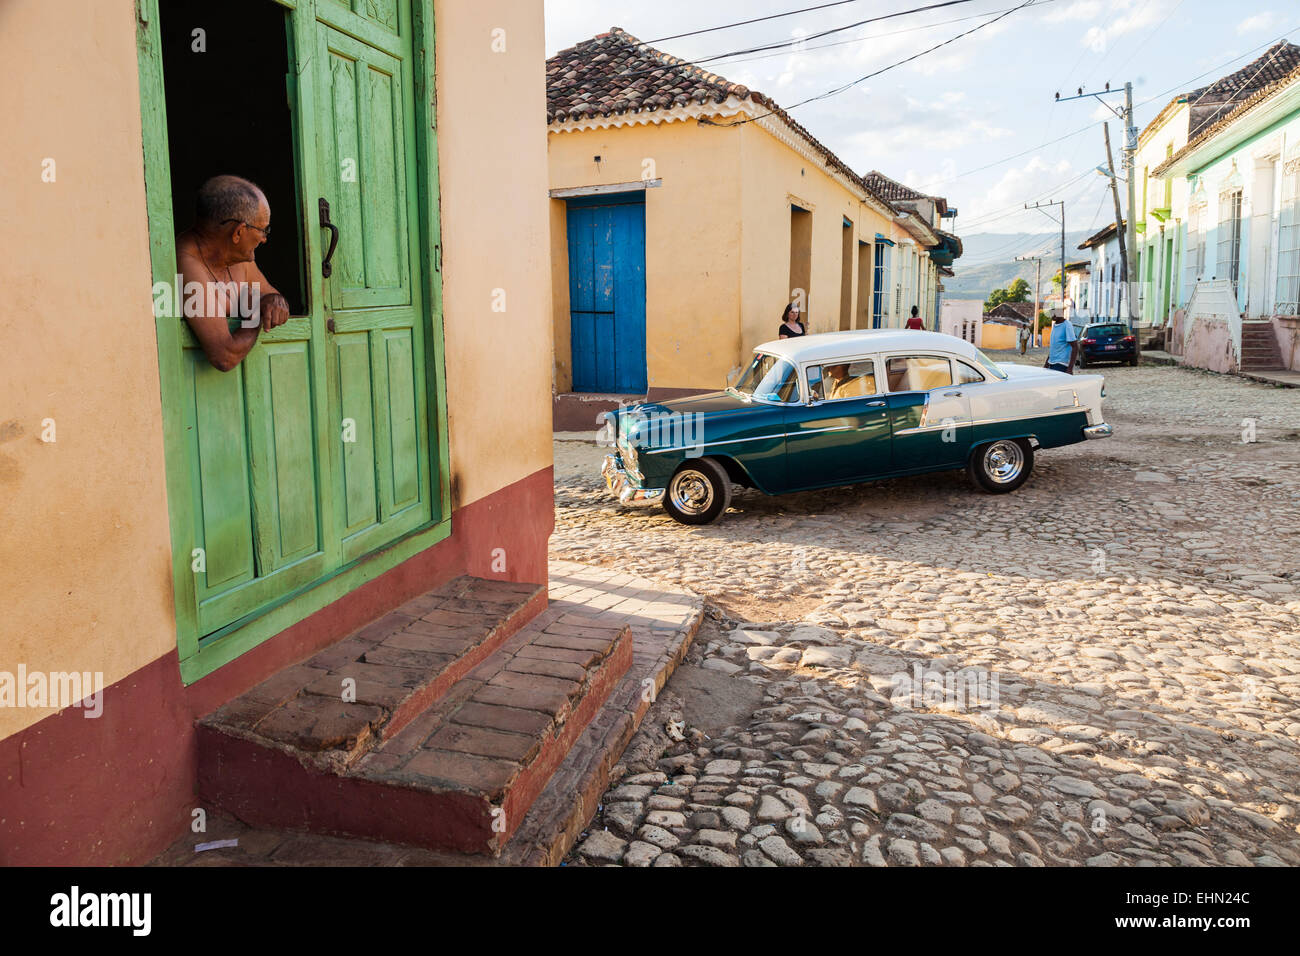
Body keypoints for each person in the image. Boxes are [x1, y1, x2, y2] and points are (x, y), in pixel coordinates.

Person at [176, 174, 290, 371]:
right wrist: (255, 314)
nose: (264, 239)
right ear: (238, 232)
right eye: (263, 230)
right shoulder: (186, 261)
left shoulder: (238, 258)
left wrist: (274, 301)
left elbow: (270, 296)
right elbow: (224, 356)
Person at [1044, 309, 1079, 374]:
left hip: (1061, 365)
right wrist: (1047, 363)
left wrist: (1070, 368)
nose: (1052, 315)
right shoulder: (1055, 325)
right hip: (1052, 363)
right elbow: (1054, 347)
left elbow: (1075, 347)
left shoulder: (1067, 325)